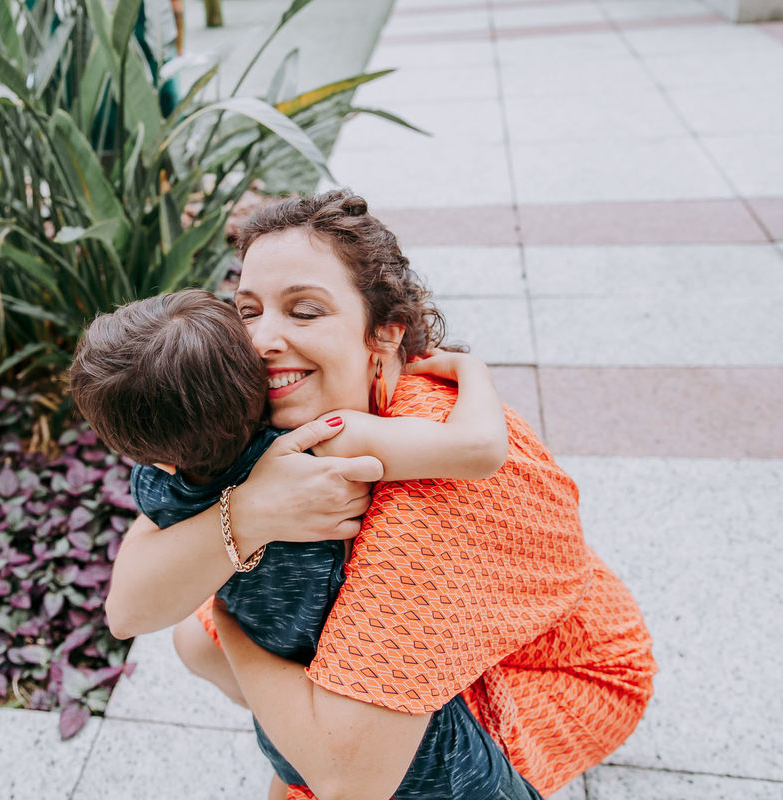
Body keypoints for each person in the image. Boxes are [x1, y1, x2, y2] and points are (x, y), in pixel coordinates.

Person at [103, 190, 656, 800]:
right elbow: (129, 608)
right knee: (194, 638)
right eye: (248, 309)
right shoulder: (270, 410)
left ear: (384, 335)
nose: (262, 340)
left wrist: (234, 632)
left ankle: (334, 727)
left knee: (341, 753)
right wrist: (255, 508)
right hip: (463, 625)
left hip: (559, 671)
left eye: (306, 311)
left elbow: (352, 782)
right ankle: (320, 725)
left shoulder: (422, 482)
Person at [72, 289, 529, 796]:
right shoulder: (321, 444)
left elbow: (126, 610)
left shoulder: (155, 486)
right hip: (428, 753)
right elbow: (478, 448)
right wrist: (472, 371)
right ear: (259, 381)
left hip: (285, 725)